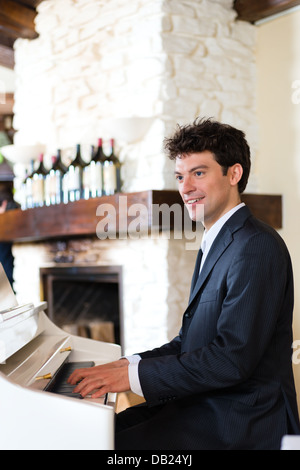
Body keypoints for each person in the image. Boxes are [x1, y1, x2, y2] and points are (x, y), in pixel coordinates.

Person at [68, 118, 300, 450]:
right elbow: (188, 342)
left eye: (199, 173)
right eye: (180, 176)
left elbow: (231, 360)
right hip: (205, 405)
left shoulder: (255, 246)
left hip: (240, 421)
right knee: (95, 434)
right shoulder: (216, 242)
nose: (186, 187)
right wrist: (128, 365)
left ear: (233, 174)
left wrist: (131, 379)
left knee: (107, 446)